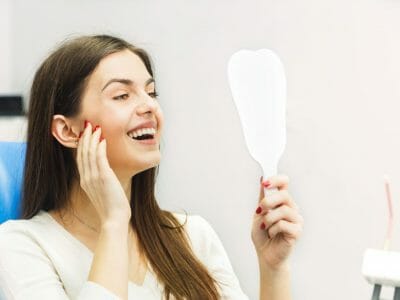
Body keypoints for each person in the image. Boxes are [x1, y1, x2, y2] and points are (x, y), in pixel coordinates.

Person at [0, 35, 303, 300]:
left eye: (151, 92)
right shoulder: (22, 245)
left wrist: (273, 268)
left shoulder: (191, 235)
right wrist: (114, 223)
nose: (149, 106)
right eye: (122, 95)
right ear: (68, 131)